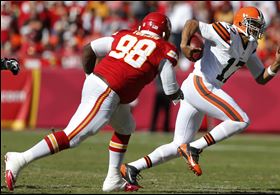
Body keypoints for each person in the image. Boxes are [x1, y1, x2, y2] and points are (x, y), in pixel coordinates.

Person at [4, 12, 183, 192]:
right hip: (108, 90)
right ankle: (20, 159)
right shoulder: (164, 48)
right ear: (165, 33)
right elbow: (170, 89)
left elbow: (90, 48)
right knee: (72, 137)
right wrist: (180, 96)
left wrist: (90, 76)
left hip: (107, 87)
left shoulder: (125, 35)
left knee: (126, 126)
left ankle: (113, 178)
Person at [120, 6, 280, 187]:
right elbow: (192, 23)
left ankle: (132, 167)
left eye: (259, 26)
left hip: (199, 89)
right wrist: (184, 45)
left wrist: (275, 65)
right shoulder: (226, 32)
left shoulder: (250, 45)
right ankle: (195, 148)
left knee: (177, 145)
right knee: (240, 120)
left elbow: (261, 77)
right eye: (254, 25)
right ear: (241, 23)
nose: (258, 29)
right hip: (201, 85)